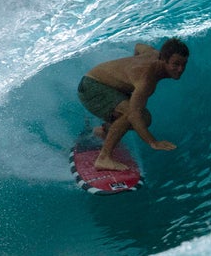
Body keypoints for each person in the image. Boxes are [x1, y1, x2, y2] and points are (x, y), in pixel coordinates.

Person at [78, 39, 190, 172]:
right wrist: (153, 142)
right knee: (132, 114)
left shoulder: (153, 53)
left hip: (107, 86)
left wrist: (129, 72)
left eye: (184, 64)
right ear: (164, 59)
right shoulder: (146, 77)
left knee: (145, 118)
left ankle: (104, 131)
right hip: (91, 87)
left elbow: (138, 46)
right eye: (176, 64)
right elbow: (133, 115)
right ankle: (103, 158)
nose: (181, 69)